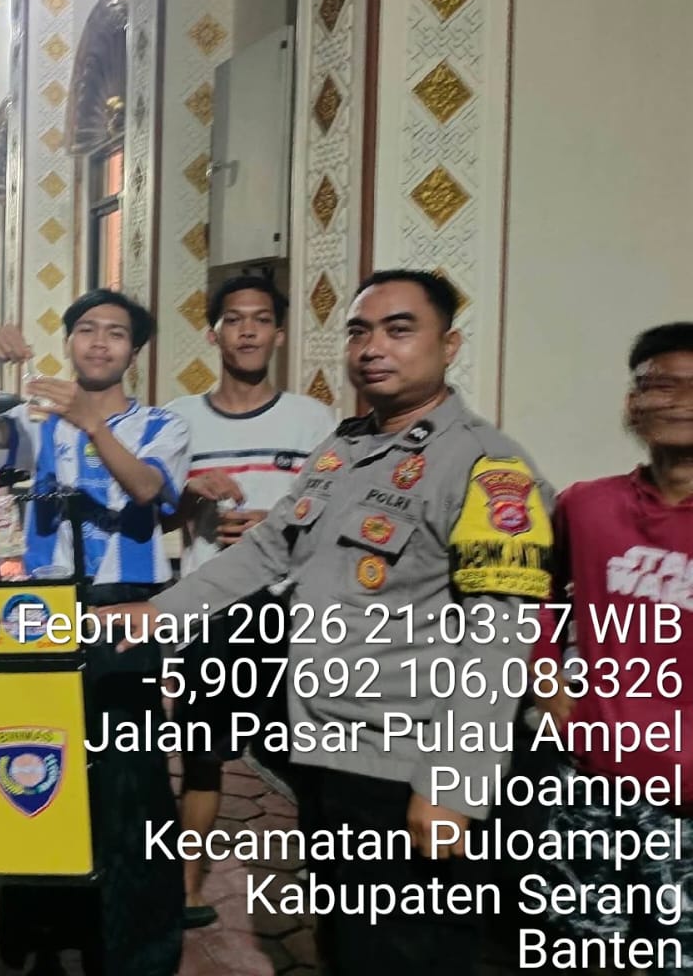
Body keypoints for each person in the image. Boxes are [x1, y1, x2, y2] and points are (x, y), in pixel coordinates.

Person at [102, 269, 556, 976]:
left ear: (448, 345)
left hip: (406, 765)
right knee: (346, 939)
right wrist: (159, 613)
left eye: (399, 330)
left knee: (407, 953)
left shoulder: (487, 468)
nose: (373, 348)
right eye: (359, 332)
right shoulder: (345, 450)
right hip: (326, 751)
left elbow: (498, 641)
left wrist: (453, 786)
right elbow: (268, 548)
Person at [0, 288, 190, 976]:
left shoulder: (162, 424)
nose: (98, 342)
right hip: (43, 609)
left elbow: (146, 489)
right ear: (69, 342)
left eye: (115, 333)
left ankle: (137, 954)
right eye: (86, 329)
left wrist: (93, 425)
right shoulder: (36, 420)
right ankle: (40, 934)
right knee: (39, 763)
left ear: (133, 351)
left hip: (124, 611)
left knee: (130, 784)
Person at [164, 274, 336, 926]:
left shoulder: (312, 420)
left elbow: (333, 515)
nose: (246, 331)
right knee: (202, 756)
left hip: (290, 609)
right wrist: (189, 491)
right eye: (233, 320)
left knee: (309, 755)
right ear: (213, 334)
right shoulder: (178, 419)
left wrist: (278, 525)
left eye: (260, 320)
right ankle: (187, 890)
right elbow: (157, 516)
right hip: (210, 610)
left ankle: (327, 885)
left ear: (279, 333)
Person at [525, 322, 693, 970]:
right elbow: (535, 593)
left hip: (687, 805)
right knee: (580, 949)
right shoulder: (585, 505)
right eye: (659, 384)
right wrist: (546, 679)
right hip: (589, 785)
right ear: (632, 402)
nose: (678, 400)